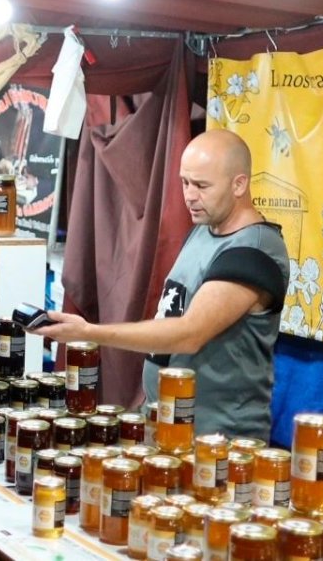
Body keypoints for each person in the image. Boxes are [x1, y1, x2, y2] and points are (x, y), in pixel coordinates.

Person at [36, 129, 290, 440]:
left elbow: (190, 334)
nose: (190, 195)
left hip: (218, 439)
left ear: (239, 184)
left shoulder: (255, 249)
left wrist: (89, 333)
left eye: (201, 185)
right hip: (167, 426)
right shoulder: (203, 230)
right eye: (185, 182)